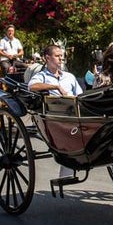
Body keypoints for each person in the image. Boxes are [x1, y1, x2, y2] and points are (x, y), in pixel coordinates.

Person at [28, 43, 82, 180]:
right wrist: (55, 87)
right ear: (47, 58)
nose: (60, 59)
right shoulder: (42, 76)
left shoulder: (69, 76)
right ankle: (67, 172)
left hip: (74, 112)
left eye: (61, 56)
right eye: (57, 56)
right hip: (56, 116)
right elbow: (32, 86)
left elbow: (80, 96)